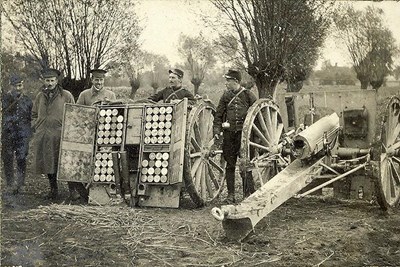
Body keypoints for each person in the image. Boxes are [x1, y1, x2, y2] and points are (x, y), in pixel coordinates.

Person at [213, 69, 257, 204]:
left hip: (245, 137)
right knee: (230, 165)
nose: (226, 83)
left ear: (236, 81)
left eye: (228, 80)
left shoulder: (249, 95)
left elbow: (257, 113)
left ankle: (247, 193)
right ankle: (231, 195)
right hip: (229, 136)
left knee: (245, 164)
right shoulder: (225, 96)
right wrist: (216, 129)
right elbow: (218, 115)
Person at [31, 68, 76, 200]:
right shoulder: (40, 96)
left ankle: (72, 191)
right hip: (44, 136)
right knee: (48, 163)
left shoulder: (66, 95)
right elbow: (34, 114)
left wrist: (68, 131)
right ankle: (53, 190)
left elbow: (74, 113)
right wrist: (37, 126)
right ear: (43, 81)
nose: (49, 83)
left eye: (52, 80)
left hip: (60, 135)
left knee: (66, 163)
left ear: (57, 81)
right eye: (47, 80)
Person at [1, 74, 33, 195]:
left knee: (21, 158)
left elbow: (31, 117)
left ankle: (21, 184)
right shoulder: (4, 99)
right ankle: (10, 184)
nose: (18, 88)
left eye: (20, 85)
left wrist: (29, 132)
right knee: (7, 158)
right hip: (8, 134)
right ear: (11, 86)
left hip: (22, 134)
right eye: (15, 86)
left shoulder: (27, 100)